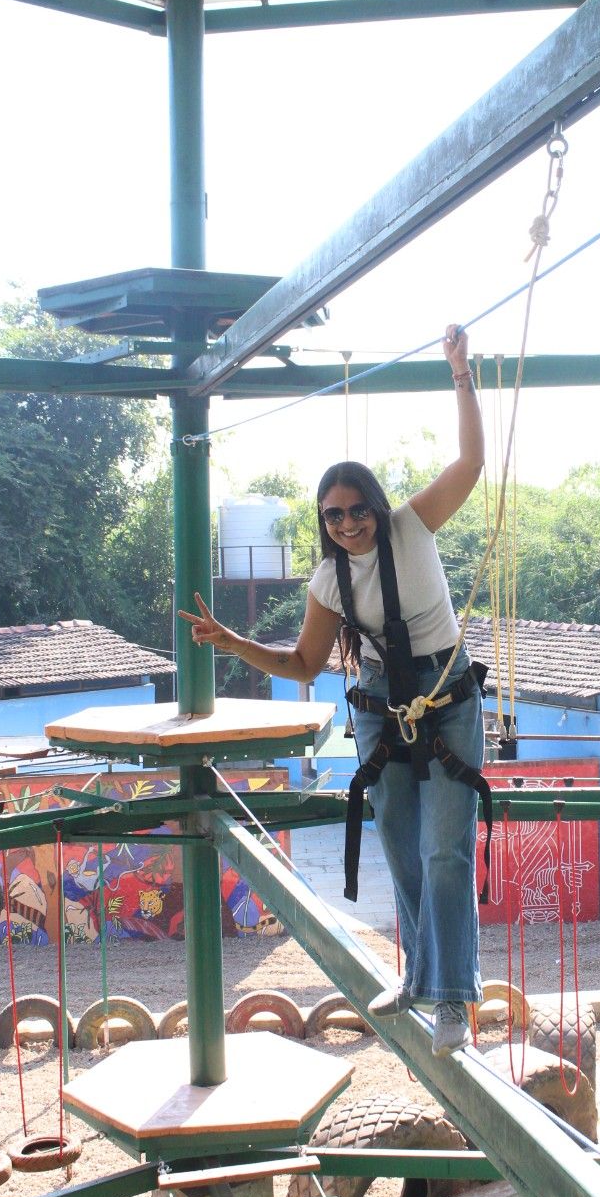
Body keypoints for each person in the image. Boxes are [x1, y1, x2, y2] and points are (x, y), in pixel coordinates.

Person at [180, 324, 486, 1057]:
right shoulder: (327, 579)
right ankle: (418, 974)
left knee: (446, 851)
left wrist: (460, 376)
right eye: (333, 515)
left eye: (356, 509)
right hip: (382, 709)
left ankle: (452, 999)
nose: (347, 523)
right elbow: (305, 664)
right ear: (324, 523)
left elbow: (471, 463)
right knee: (403, 851)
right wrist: (232, 643)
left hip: (445, 698)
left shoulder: (413, 527)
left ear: (376, 506)